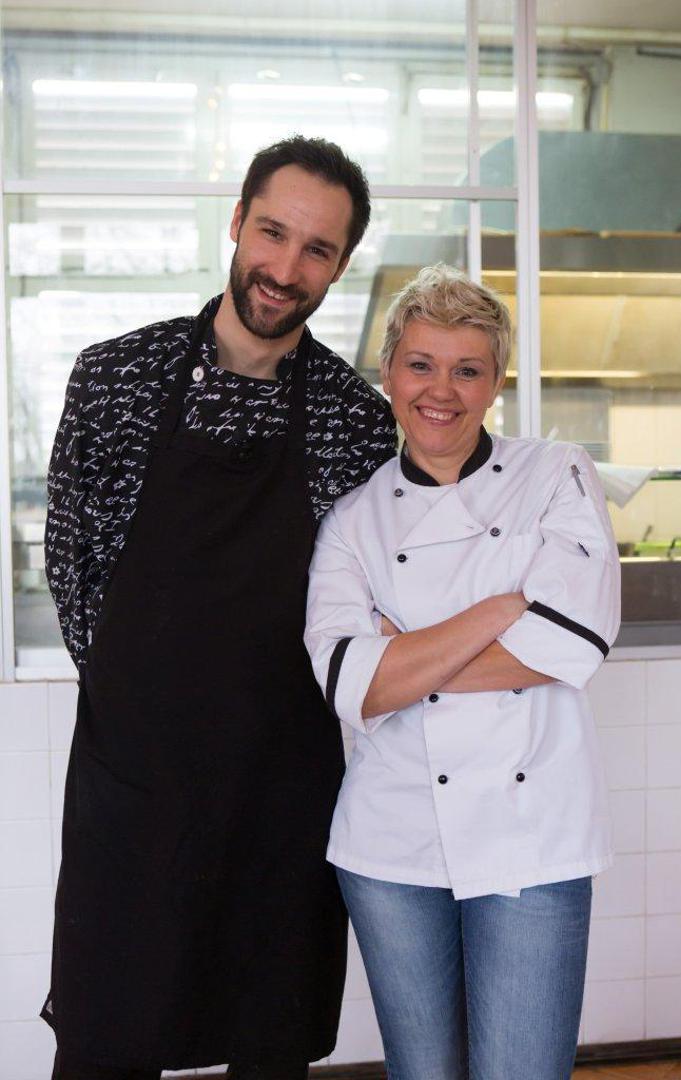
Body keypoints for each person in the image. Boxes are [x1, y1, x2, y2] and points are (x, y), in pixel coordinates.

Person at [43, 135, 396, 1080]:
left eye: (317, 249)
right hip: (135, 786)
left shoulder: (355, 419)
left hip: (282, 791)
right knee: (106, 1041)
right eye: (273, 232)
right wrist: (142, 704)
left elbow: (361, 601)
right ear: (237, 221)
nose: (285, 268)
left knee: (269, 1042)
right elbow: (73, 564)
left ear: (340, 265)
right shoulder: (116, 378)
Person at [305, 264, 621, 1080]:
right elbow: (349, 684)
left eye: (467, 369)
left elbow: (574, 642)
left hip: (533, 836)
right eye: (421, 364)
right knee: (423, 1071)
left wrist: (403, 652)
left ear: (496, 381)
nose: (440, 391)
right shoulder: (352, 519)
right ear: (388, 373)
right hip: (391, 842)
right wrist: (504, 608)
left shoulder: (557, 474)